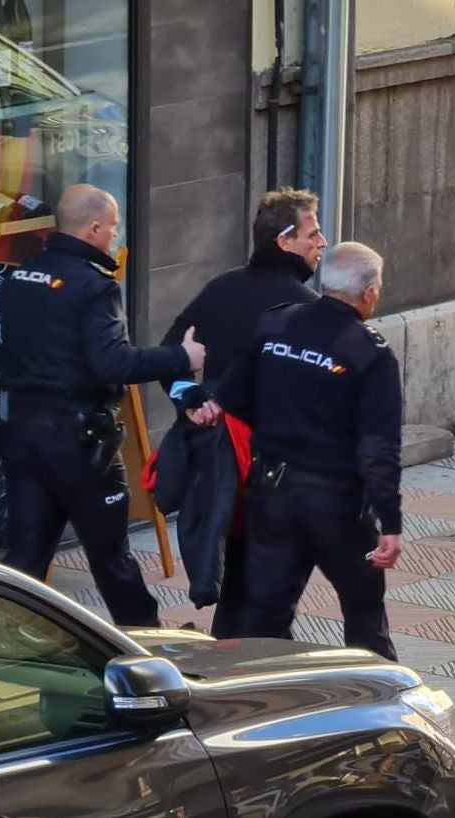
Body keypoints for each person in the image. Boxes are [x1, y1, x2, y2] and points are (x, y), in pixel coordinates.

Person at [0, 183, 205, 626]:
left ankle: (7, 648)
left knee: (26, 557)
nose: (114, 236)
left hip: (22, 432)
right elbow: (113, 363)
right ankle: (148, 649)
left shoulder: (19, 274)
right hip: (78, 442)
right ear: (92, 229)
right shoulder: (95, 287)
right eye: (111, 227)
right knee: (112, 557)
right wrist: (182, 357)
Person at [215, 241, 403, 660]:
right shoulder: (368, 352)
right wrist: (390, 522)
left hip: (271, 496)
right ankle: (384, 708)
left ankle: (254, 700)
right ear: (369, 291)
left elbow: (232, 396)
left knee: (263, 615)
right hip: (335, 504)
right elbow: (379, 448)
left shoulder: (276, 325)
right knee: (364, 616)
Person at [155, 187, 324, 636]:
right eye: (313, 234)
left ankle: (233, 656)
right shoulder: (306, 310)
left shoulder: (221, 288)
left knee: (244, 585)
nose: (322, 244)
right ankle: (250, 679)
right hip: (272, 477)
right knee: (270, 600)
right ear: (284, 242)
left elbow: (172, 350)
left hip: (222, 473)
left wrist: (191, 399)